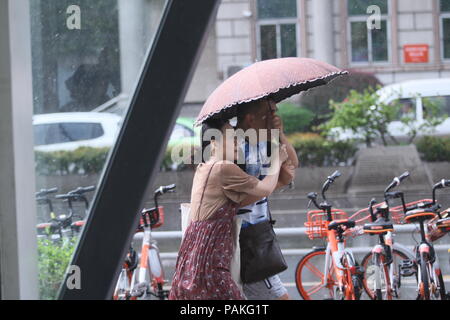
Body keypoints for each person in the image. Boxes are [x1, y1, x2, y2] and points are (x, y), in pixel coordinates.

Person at [169, 119, 289, 300]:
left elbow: (257, 193)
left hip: (195, 258)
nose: (237, 142)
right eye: (231, 138)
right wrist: (276, 161)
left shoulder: (204, 167)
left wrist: (281, 176)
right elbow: (264, 189)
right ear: (214, 142)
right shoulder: (224, 168)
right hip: (211, 261)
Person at [235, 97, 299, 300]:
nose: (274, 117)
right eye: (268, 113)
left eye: (274, 112)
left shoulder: (262, 141)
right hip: (244, 238)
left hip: (259, 235)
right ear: (250, 118)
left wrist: (279, 134)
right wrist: (276, 183)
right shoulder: (233, 148)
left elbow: (293, 162)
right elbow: (233, 201)